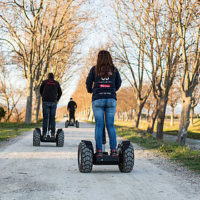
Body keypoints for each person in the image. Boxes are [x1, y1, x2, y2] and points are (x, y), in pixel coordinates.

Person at [86, 50, 122, 157]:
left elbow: (88, 83)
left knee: (99, 125)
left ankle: (99, 152)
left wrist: (90, 90)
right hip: (111, 99)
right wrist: (112, 90)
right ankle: (114, 151)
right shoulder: (114, 70)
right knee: (110, 125)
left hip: (98, 99)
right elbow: (119, 83)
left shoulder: (94, 69)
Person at [40, 73, 62, 137]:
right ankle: (52, 133)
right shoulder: (56, 83)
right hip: (53, 102)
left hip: (45, 101)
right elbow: (60, 92)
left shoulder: (44, 82)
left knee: (45, 118)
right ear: (53, 77)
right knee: (52, 118)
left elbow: (40, 90)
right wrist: (57, 99)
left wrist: (43, 97)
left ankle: (44, 133)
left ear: (47, 77)